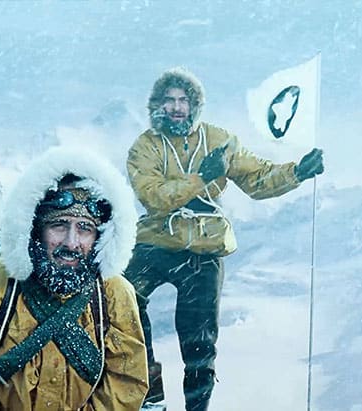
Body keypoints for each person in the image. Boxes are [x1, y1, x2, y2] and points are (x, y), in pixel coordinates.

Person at [126, 66, 324, 411]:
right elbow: (152, 196)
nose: (176, 108)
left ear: (194, 105)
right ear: (157, 106)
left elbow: (258, 178)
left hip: (204, 246)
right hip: (156, 240)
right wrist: (201, 178)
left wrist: (297, 172)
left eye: (183, 100)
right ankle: (149, 391)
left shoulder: (219, 140)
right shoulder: (144, 147)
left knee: (199, 340)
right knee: (123, 299)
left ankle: (197, 408)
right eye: (169, 101)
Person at [0, 145, 148, 410]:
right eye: (58, 225)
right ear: (36, 230)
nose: (71, 242)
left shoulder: (113, 292)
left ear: (100, 237)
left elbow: (126, 382)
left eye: (85, 228)